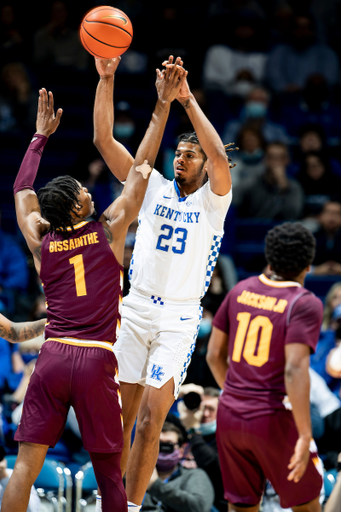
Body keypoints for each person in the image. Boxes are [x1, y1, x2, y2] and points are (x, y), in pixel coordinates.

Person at [1, 60, 188, 512]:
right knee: (108, 471)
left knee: (24, 466)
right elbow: (141, 168)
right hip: (95, 360)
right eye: (84, 189)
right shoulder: (110, 228)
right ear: (79, 204)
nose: (90, 189)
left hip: (51, 357)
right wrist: (161, 107)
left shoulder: (41, 240)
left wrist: (38, 137)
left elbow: (22, 190)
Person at [93, 54, 233, 512]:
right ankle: (110, 501)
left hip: (178, 316)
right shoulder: (151, 185)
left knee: (154, 418)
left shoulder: (214, 203)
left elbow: (217, 153)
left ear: (205, 168)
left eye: (190, 155)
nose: (181, 159)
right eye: (178, 152)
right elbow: (103, 139)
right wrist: (107, 79)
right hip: (134, 308)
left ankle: (131, 508)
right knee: (122, 417)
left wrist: (185, 99)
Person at [207, 222, 324, 511]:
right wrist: (305, 434)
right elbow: (295, 370)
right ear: (308, 264)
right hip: (274, 419)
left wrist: (238, 395)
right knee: (307, 505)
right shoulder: (304, 302)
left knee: (242, 507)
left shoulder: (240, 290)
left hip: (230, 414)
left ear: (269, 259)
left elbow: (212, 355)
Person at [141, 421, 214, 512]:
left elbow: (199, 507)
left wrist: (154, 484)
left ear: (181, 450)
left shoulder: (194, 475)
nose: (163, 449)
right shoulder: (135, 476)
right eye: (158, 444)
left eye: (169, 445)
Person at [177, 384, 226, 512]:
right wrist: (177, 391)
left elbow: (212, 464)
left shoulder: (226, 437)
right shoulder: (181, 426)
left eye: (211, 408)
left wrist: (193, 430)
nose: (205, 413)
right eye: (201, 407)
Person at [232, 142, 304, 220]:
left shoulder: (294, 187)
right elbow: (229, 201)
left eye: (280, 158)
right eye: (271, 157)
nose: (275, 163)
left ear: (287, 160)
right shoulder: (252, 183)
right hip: (253, 230)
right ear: (265, 160)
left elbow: (292, 216)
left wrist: (284, 189)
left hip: (281, 231)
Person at [311, 201, 341, 276]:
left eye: (337, 213)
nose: (332, 217)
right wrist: (315, 270)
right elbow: (299, 267)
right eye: (328, 212)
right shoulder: (309, 239)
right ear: (320, 216)